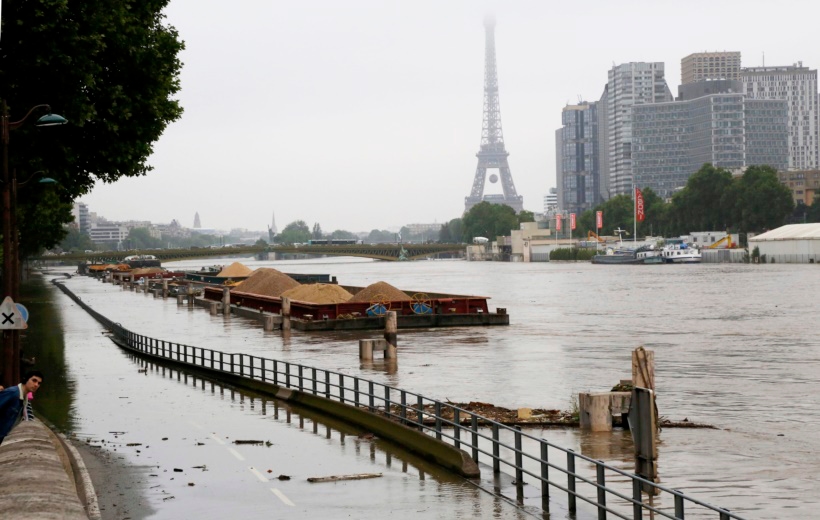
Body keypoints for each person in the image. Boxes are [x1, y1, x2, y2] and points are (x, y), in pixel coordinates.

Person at [0, 370, 43, 445]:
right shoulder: (13, 393)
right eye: (34, 380)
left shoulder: (24, 398)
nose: (36, 385)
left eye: (39, 383)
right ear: (26, 379)